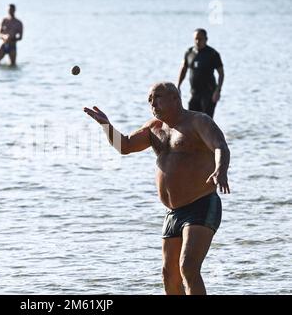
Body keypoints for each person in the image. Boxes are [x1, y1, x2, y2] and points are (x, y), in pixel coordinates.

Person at [84, 82, 230, 295]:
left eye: (157, 97)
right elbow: (125, 146)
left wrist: (221, 169)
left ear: (175, 98)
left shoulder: (198, 121)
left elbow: (219, 146)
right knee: (168, 274)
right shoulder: (154, 128)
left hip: (201, 204)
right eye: (150, 100)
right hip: (173, 212)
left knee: (188, 267)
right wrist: (106, 126)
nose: (153, 103)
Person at [177, 29, 224, 118]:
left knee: (206, 121)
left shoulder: (213, 54)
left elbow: (221, 74)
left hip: (209, 94)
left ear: (206, 39)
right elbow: (183, 69)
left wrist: (218, 91)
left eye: (200, 39)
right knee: (190, 120)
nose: (197, 41)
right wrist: (178, 86)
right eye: (196, 39)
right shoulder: (189, 52)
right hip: (194, 93)